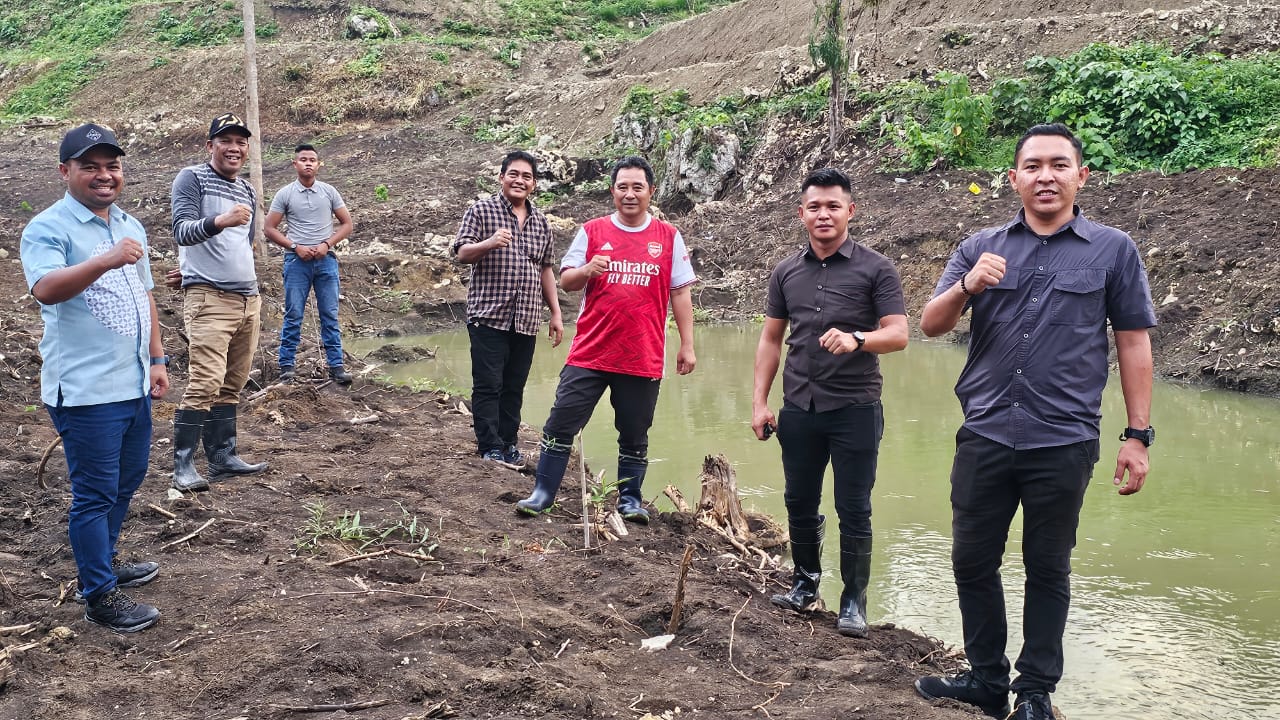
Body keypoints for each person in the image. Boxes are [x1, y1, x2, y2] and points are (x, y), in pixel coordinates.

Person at [914, 123, 1155, 720]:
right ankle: (987, 679)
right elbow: (930, 324)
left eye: (1058, 164)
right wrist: (967, 286)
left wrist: (1137, 435)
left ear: (1081, 175)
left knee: (1048, 566)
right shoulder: (979, 246)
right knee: (972, 560)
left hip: (1064, 439)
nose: (1045, 176)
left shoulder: (1113, 249)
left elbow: (1132, 343)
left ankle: (1035, 691)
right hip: (987, 432)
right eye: (1033, 166)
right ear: (1015, 177)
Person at [20, 123, 166, 632]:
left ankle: (104, 560)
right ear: (66, 172)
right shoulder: (48, 227)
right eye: (91, 167)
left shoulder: (130, 225)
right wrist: (104, 260)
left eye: (112, 166)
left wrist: (156, 360)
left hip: (132, 382)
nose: (104, 176)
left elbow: (144, 295)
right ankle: (99, 595)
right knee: (94, 494)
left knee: (127, 480)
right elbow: (45, 289)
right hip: (85, 390)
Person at [752, 167, 908, 638]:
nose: (824, 214)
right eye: (815, 206)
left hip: (855, 408)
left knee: (854, 506)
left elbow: (899, 334)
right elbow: (771, 341)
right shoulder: (786, 272)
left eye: (833, 206)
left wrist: (860, 338)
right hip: (799, 406)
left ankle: (854, 602)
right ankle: (804, 583)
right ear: (801, 213)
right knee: (799, 499)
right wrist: (760, 402)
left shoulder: (876, 268)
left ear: (850, 211)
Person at [516, 156, 696, 523]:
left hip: (642, 354)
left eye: (637, 187)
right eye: (622, 187)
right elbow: (566, 281)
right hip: (591, 353)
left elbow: (680, 293)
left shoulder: (668, 237)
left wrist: (687, 345)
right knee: (560, 423)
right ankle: (542, 493)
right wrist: (587, 269)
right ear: (612, 191)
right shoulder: (593, 230)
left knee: (634, 433)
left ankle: (629, 500)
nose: (630, 194)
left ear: (651, 192)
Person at [167, 112, 269, 492]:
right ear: (210, 145)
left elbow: (242, 245)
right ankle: (182, 466)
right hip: (210, 298)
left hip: (248, 299)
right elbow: (182, 230)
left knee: (233, 382)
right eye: (226, 140)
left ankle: (222, 457)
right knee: (205, 381)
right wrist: (219, 221)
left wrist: (189, 266)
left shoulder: (247, 190)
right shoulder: (190, 178)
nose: (235, 148)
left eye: (241, 141)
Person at [452, 150, 564, 467]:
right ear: (502, 177)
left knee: (514, 386)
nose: (519, 180)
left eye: (526, 176)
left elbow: (546, 271)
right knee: (489, 385)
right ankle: (490, 447)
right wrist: (489, 243)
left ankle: (508, 443)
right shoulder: (481, 211)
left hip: (526, 318)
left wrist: (555, 313)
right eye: (513, 174)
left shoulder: (541, 223)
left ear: (534, 184)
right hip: (489, 315)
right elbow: (462, 253)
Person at [264, 143, 355, 385]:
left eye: (312, 160)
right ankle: (286, 367)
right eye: (303, 159)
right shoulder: (285, 194)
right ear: (295, 164)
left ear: (318, 164)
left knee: (330, 314)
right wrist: (295, 247)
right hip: (296, 261)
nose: (308, 163)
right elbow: (269, 228)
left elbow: (347, 223)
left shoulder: (329, 192)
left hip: (326, 261)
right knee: (294, 314)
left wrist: (327, 244)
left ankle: (336, 366)